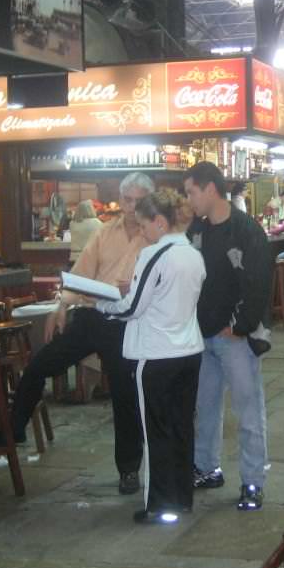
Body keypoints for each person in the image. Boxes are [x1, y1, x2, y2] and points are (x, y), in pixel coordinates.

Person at [0, 172, 154, 495]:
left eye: (138, 200)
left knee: (124, 395)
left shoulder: (155, 235)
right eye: (127, 200)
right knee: (40, 364)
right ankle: (14, 430)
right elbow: (79, 276)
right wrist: (60, 306)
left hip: (126, 323)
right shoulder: (105, 231)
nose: (131, 207)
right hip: (91, 315)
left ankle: (129, 469)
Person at [95, 191, 205, 525]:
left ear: (159, 221)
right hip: (189, 351)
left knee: (155, 430)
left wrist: (103, 304)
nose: (142, 232)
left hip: (156, 355)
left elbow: (132, 307)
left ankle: (159, 505)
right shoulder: (192, 254)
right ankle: (182, 498)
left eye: (144, 224)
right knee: (182, 427)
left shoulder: (155, 254)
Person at [185, 162, 273, 511]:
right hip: (202, 336)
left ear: (209, 189)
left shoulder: (247, 231)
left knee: (248, 412)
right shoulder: (197, 230)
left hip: (234, 338)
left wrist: (238, 327)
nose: (189, 199)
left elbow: (258, 285)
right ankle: (207, 468)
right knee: (204, 408)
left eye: (191, 191)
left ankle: (253, 481)